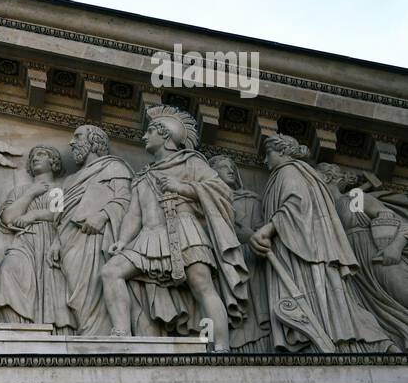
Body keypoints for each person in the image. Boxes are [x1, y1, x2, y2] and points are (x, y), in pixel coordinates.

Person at [101, 107, 247, 351]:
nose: (144, 137)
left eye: (149, 131)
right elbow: (134, 214)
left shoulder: (191, 162)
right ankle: (121, 334)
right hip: (148, 236)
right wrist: (123, 241)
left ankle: (220, 347)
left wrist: (182, 187)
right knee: (110, 271)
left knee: (201, 286)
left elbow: (221, 192)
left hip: (185, 231)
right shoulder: (144, 175)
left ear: (166, 135)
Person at [249, 135, 394, 353]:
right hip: (303, 247)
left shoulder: (289, 171)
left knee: (320, 297)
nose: (265, 162)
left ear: (282, 152)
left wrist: (267, 230)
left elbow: (297, 203)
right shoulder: (296, 173)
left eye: (268, 154)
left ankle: (340, 340)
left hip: (304, 251)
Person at [48, 125, 133, 335]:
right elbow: (56, 216)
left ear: (94, 141)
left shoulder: (116, 167)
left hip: (96, 236)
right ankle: (87, 332)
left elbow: (126, 200)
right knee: (76, 292)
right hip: (68, 241)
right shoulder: (65, 183)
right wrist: (55, 241)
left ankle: (98, 335)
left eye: (77, 137)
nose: (71, 142)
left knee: (94, 286)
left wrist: (103, 215)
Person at [317, 162, 408, 351]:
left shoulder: (354, 197)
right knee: (383, 313)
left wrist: (395, 247)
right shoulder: (324, 211)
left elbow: (398, 223)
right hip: (357, 269)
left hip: (379, 256)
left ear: (326, 178)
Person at [0, 144, 70, 330]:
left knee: (52, 287)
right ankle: (16, 327)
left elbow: (61, 214)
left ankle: (47, 327)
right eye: (33, 156)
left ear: (54, 162)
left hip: (50, 241)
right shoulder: (20, 191)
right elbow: (8, 217)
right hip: (24, 241)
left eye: (42, 154)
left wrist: (33, 215)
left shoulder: (58, 190)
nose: (35, 158)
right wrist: (31, 193)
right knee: (8, 269)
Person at [208, 154, 271, 352]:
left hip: (250, 260)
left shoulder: (251, 199)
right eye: (223, 166)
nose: (230, 170)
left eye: (232, 167)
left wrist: (256, 237)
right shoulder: (210, 200)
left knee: (254, 309)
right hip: (224, 261)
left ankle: (261, 350)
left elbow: (261, 229)